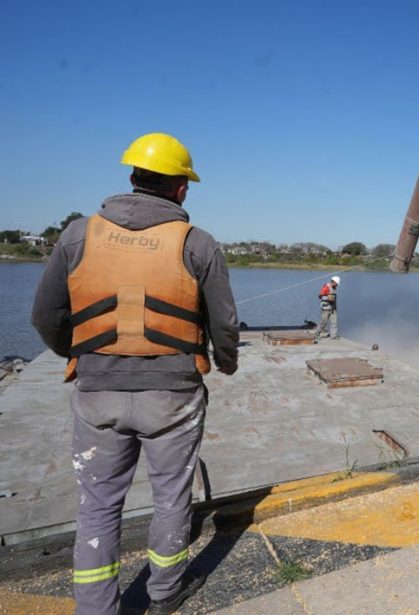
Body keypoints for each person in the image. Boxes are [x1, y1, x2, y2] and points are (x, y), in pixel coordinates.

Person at [31, 133, 239, 615]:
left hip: (96, 395)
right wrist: (225, 362)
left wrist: (83, 355)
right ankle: (165, 594)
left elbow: (45, 316)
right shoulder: (198, 243)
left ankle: (97, 608)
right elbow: (224, 323)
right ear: (182, 189)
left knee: (98, 506)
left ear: (131, 178)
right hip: (174, 398)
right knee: (171, 498)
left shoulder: (78, 235)